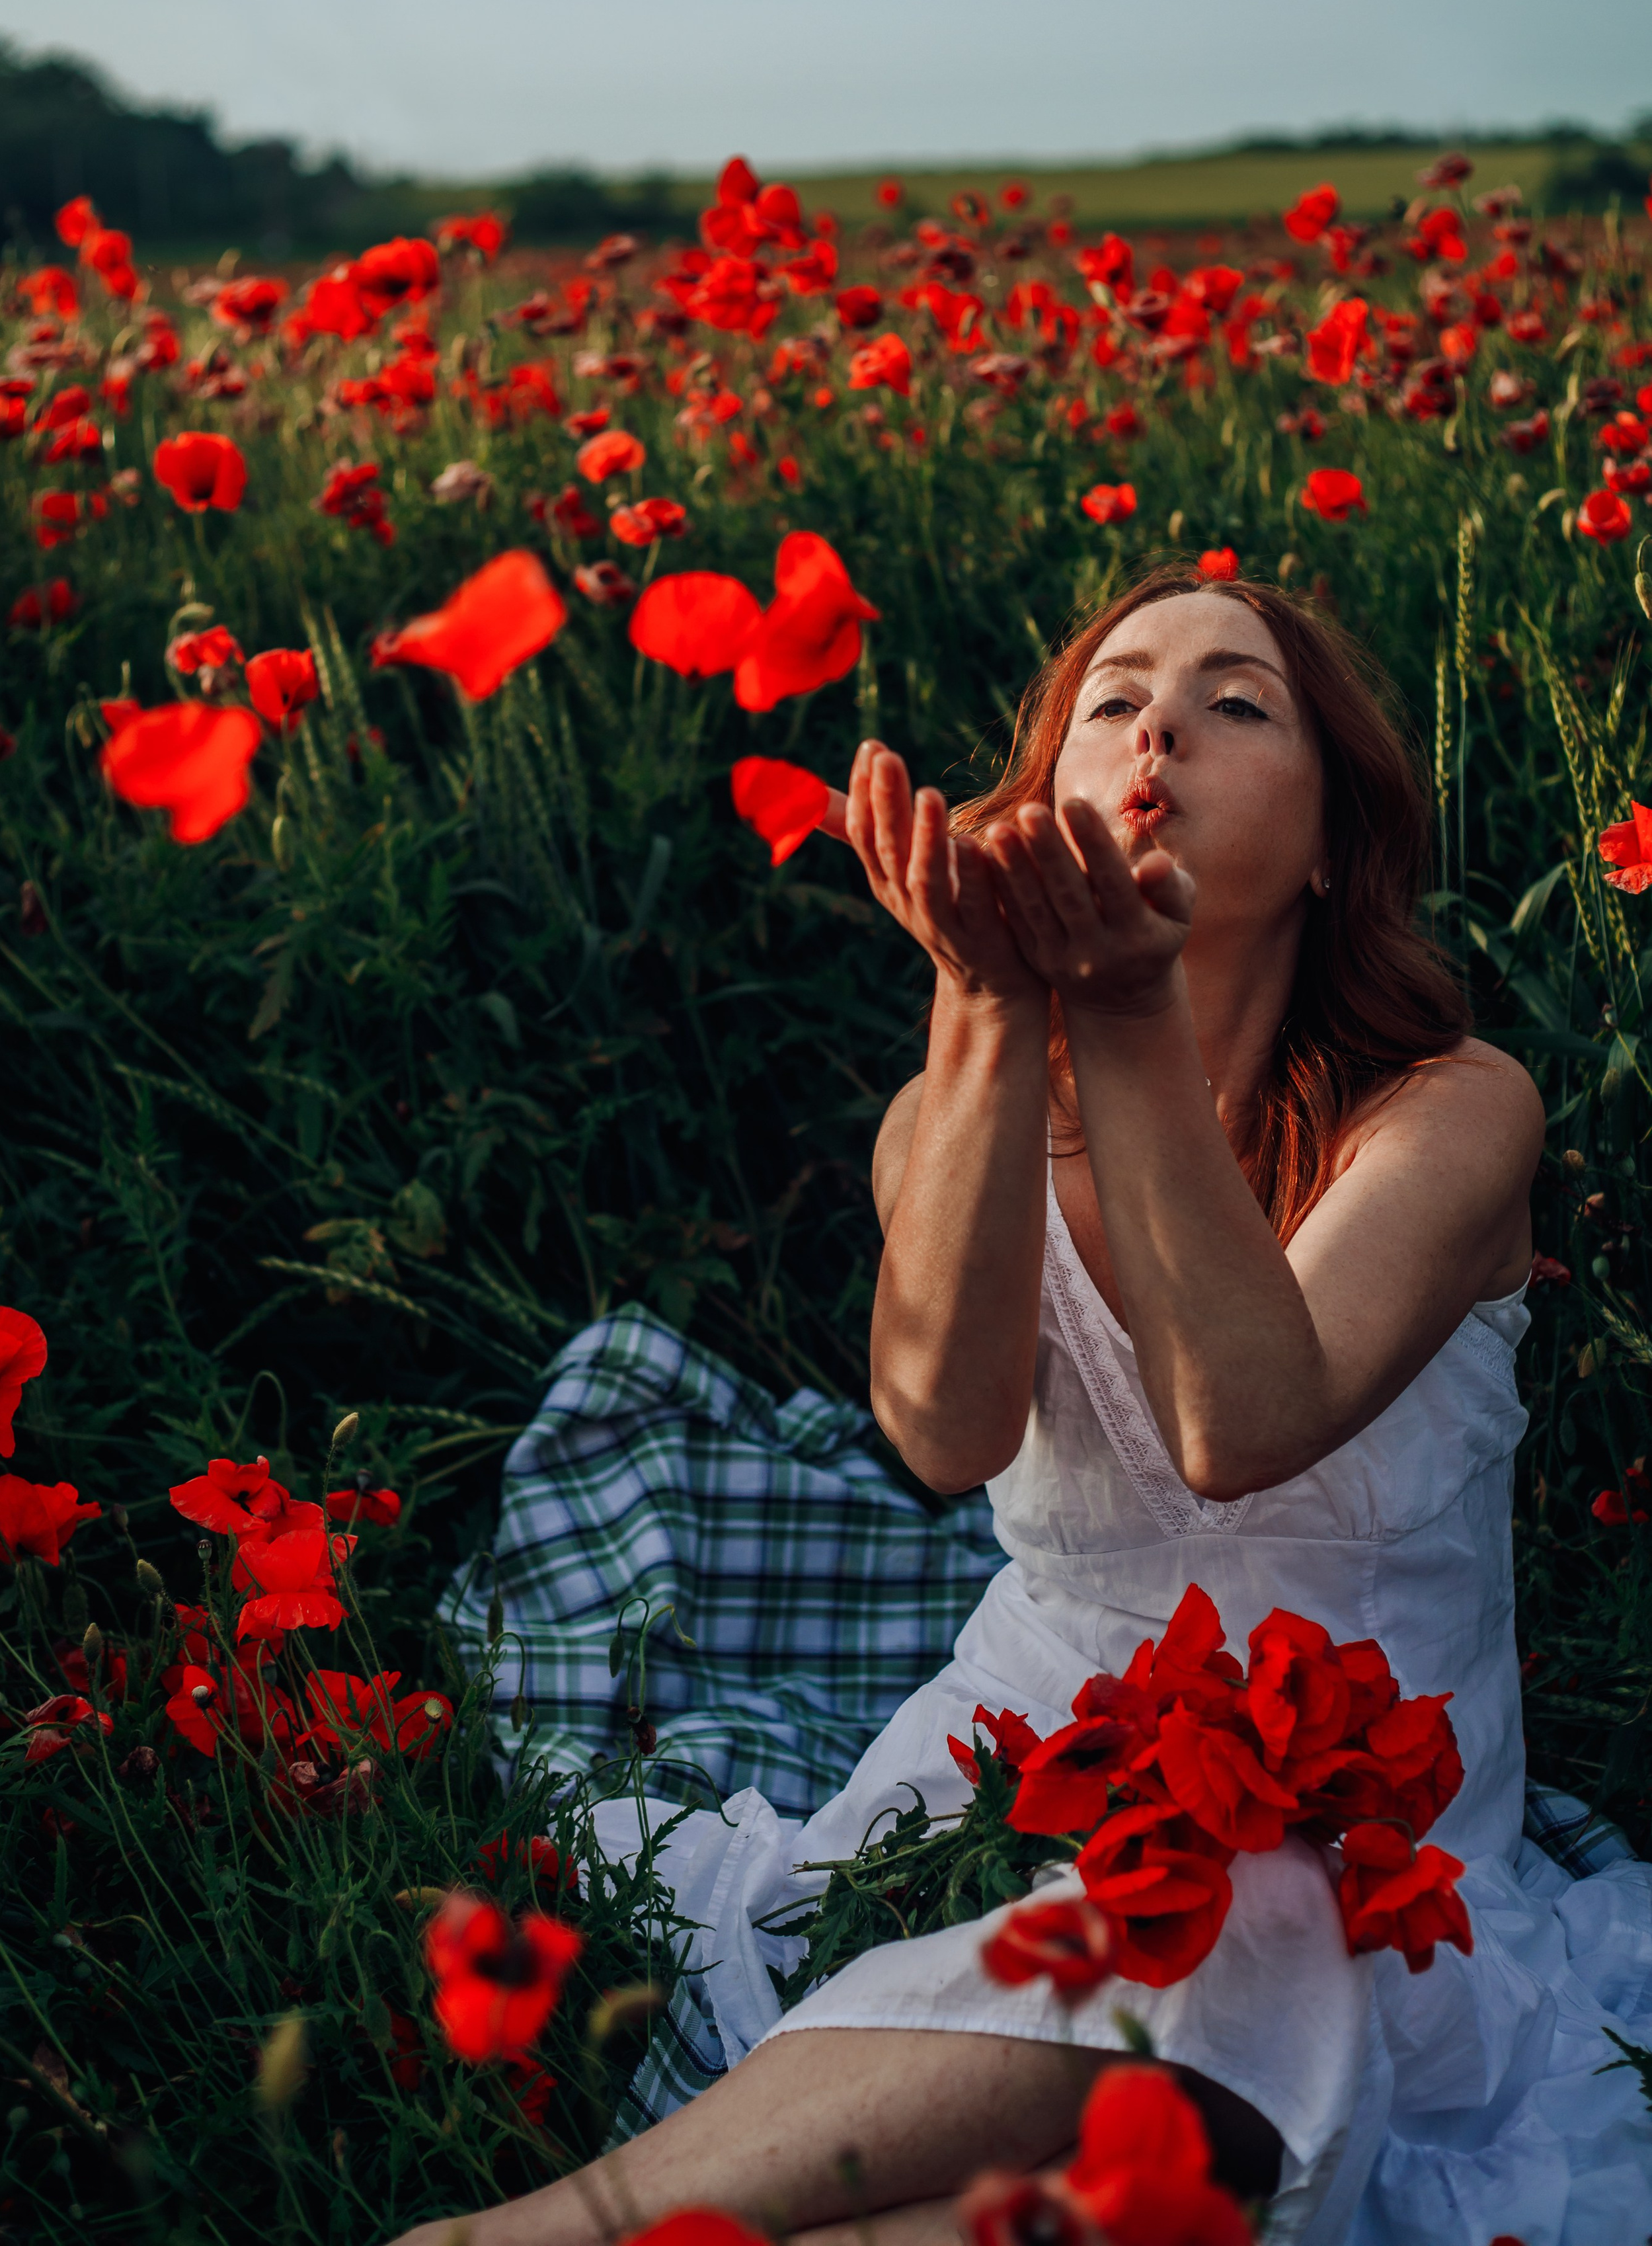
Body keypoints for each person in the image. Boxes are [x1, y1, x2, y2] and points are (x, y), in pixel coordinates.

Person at [394, 569, 1652, 2246]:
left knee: (1255, 1921)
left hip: (1379, 1829)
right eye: (1113, 702)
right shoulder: (948, 1107)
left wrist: (1119, 1008)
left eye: (1234, 702)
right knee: (1139, 2147)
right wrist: (985, 1005)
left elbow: (1242, 1420)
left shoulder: (1448, 1110)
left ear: (1337, 838)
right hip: (1024, 1766)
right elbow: (936, 1429)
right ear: (1042, 798)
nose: (1158, 731)